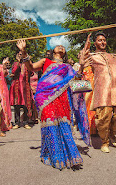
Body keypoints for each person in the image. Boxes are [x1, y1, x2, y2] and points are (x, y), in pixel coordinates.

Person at [17, 40, 90, 170]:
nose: (61, 46)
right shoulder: (46, 61)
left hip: (62, 97)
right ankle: (55, 156)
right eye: (58, 46)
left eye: (63, 47)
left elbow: (76, 79)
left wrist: (82, 65)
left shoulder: (67, 66)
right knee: (50, 122)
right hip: (44, 96)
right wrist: (23, 51)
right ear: (52, 51)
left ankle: (68, 156)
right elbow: (31, 67)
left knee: (62, 123)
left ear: (65, 53)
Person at [78, 32, 116, 153]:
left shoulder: (113, 56)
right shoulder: (92, 57)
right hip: (102, 89)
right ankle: (105, 142)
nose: (102, 42)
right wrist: (86, 46)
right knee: (104, 116)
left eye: (104, 40)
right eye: (99, 40)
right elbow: (82, 63)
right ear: (95, 43)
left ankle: (112, 134)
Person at [10, 51, 34, 129]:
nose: (20, 56)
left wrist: (27, 62)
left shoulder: (27, 64)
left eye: (22, 55)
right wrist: (18, 62)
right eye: (19, 55)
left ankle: (25, 122)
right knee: (16, 105)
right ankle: (17, 123)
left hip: (25, 87)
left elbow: (32, 73)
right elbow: (13, 71)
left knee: (26, 105)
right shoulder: (15, 64)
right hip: (17, 87)